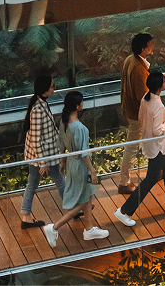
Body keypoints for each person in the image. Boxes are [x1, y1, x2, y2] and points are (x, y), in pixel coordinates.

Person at [113, 71, 165, 227]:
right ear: (160, 86)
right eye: (164, 81)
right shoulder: (156, 104)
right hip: (158, 146)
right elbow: (158, 130)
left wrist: (164, 114)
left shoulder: (146, 98)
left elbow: (143, 117)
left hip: (156, 145)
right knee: (151, 179)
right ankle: (124, 211)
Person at [43, 91, 109, 247]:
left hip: (72, 164)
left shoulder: (64, 122)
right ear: (77, 106)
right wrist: (92, 170)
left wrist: (63, 162)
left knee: (88, 193)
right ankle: (54, 227)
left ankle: (89, 228)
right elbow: (83, 153)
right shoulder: (79, 127)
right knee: (83, 199)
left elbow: (61, 145)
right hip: (80, 166)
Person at [19, 74, 64, 229]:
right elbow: (36, 139)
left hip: (43, 155)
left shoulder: (40, 103)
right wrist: (43, 163)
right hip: (42, 156)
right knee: (49, 179)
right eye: (53, 86)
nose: (54, 88)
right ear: (46, 90)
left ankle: (26, 215)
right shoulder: (38, 109)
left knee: (37, 182)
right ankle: (73, 208)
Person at [117, 33, 154, 194]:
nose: (152, 46)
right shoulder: (139, 69)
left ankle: (156, 171)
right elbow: (144, 97)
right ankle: (124, 182)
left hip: (131, 110)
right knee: (133, 146)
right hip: (137, 115)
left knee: (152, 140)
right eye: (150, 44)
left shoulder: (130, 60)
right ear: (143, 48)